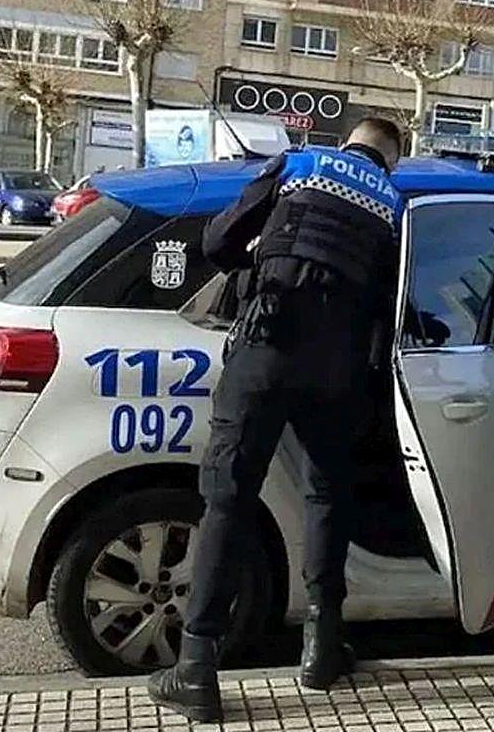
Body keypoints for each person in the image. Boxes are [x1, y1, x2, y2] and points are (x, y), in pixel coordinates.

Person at [148, 117, 406, 722]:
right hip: (338, 364)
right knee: (327, 496)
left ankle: (196, 667)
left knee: (228, 501)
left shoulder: (296, 165)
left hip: (267, 343)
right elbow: (389, 301)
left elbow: (217, 244)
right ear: (390, 159)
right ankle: (321, 648)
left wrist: (256, 262)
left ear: (349, 141)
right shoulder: (390, 201)